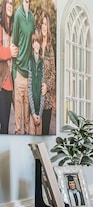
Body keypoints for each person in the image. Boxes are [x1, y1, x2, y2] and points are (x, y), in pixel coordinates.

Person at [11, 0, 34, 135]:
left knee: (27, 124)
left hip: (29, 75)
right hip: (19, 73)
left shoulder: (31, 17)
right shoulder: (18, 15)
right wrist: (14, 73)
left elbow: (34, 42)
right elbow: (14, 43)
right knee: (18, 125)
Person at [0, 0, 15, 134]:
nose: (11, 5)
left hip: (11, 83)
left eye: (12, 3)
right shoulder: (0, 27)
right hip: (1, 82)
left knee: (5, 128)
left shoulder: (14, 30)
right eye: (8, 3)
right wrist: (9, 52)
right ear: (4, 6)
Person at [40, 10, 54, 135]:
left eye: (46, 24)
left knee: (45, 134)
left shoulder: (50, 48)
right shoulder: (36, 45)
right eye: (42, 24)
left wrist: (46, 86)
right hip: (36, 97)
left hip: (47, 100)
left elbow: (53, 73)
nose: (44, 27)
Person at [28, 29, 43, 135]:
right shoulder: (30, 62)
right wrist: (33, 113)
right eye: (35, 42)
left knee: (40, 140)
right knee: (31, 138)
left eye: (38, 42)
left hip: (40, 112)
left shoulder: (42, 64)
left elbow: (43, 90)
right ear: (32, 45)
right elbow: (29, 88)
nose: (36, 44)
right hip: (32, 112)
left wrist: (40, 114)